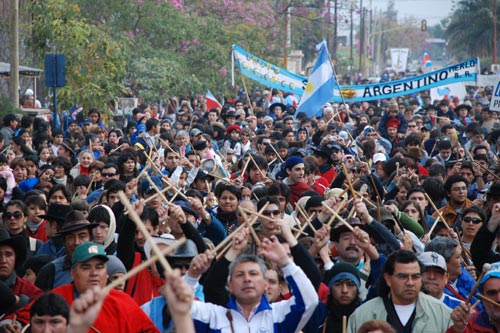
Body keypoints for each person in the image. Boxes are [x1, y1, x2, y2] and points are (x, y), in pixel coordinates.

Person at [190, 236, 319, 332]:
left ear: (265, 284)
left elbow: (309, 301)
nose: (247, 279)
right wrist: (192, 276)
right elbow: (178, 307)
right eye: (240, 275)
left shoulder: (277, 315)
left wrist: (285, 262)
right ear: (229, 285)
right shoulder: (213, 316)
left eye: (253, 274)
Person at [347, 250, 453, 333]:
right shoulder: (362, 315)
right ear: (388, 279)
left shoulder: (442, 314)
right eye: (403, 277)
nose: (410, 283)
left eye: (415, 277)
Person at [0, 229, 43, 321]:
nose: (3, 260)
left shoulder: (29, 289)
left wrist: (21, 302)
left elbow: (42, 312)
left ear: (16, 258)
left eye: (8, 254)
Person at [448, 261, 500, 333]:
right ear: (483, 299)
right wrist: (458, 330)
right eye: (492, 293)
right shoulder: (469, 327)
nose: (498, 299)